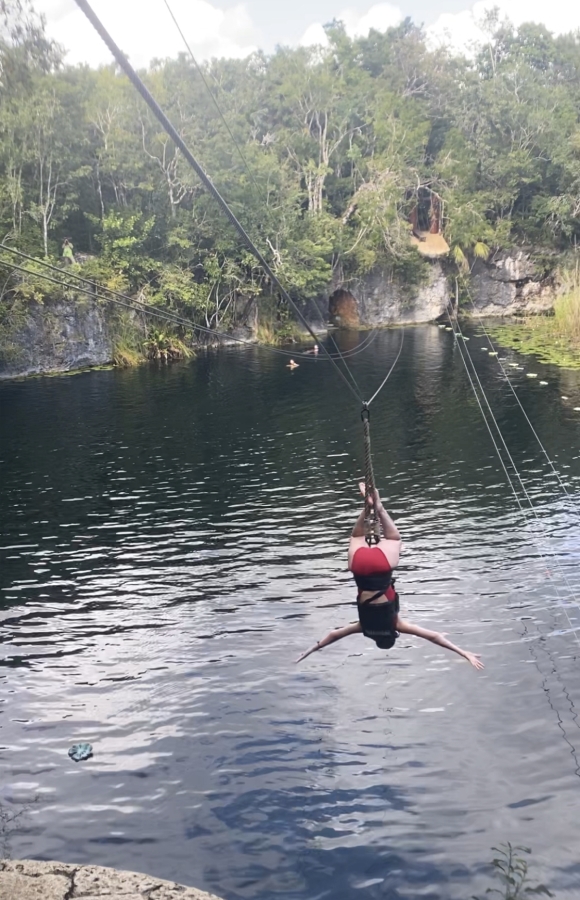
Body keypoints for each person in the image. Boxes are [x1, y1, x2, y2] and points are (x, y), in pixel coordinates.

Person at [296, 483, 484, 669]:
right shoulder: (363, 626)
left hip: (381, 566)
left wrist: (464, 652)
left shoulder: (396, 624)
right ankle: (367, 508)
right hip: (358, 566)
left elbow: (434, 637)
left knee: (395, 539)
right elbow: (333, 634)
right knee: (356, 538)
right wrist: (311, 650)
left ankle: (379, 508)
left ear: (392, 635)